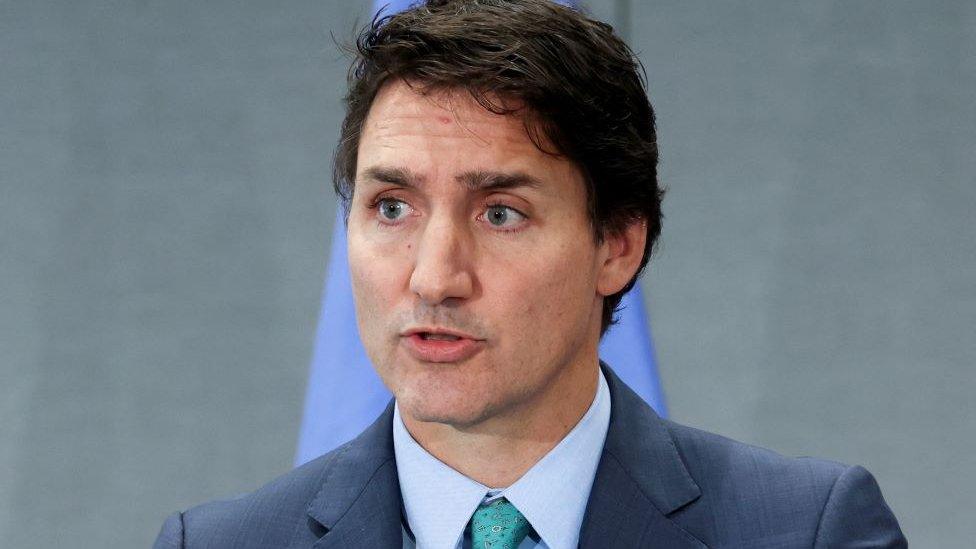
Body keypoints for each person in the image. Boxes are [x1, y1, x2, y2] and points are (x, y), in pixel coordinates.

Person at [154, 1, 906, 547]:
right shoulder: (219, 543)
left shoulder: (807, 529)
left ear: (617, 243)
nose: (434, 277)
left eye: (500, 213)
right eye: (391, 207)